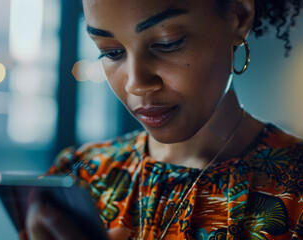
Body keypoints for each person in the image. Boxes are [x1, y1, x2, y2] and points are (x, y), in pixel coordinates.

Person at [25, 0, 303, 239]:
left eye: (166, 43)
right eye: (111, 52)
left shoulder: (296, 191)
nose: (136, 83)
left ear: (238, 16)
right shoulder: (81, 178)